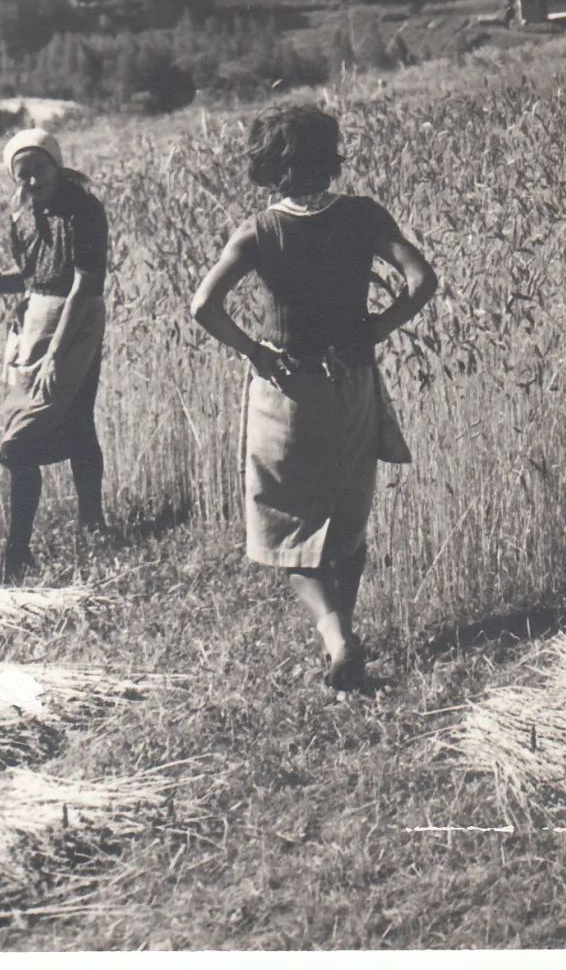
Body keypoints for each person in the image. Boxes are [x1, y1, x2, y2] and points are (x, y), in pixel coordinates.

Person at [190, 101, 437, 690]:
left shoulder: (258, 231)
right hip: (352, 383)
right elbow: (422, 280)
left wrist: (254, 352)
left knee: (291, 528)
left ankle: (336, 638)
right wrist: (377, 328)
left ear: (267, 166)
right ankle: (343, 636)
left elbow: (204, 306)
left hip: (286, 391)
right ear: (329, 157)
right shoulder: (363, 216)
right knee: (346, 520)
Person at [0, 126, 111, 578]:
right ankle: (92, 527)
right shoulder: (20, 213)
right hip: (34, 322)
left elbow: (85, 285)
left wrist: (57, 353)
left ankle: (17, 554)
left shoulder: (84, 209)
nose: (32, 181)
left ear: (56, 164)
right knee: (78, 421)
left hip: (76, 322)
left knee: (18, 444)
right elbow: (27, 281)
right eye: (23, 174)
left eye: (40, 169)